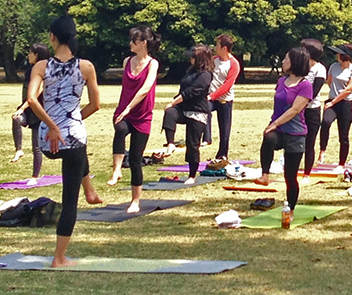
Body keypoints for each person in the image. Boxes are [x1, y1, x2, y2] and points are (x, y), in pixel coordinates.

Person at [26, 15, 103, 268]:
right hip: (71, 135)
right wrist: (72, 120)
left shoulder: (41, 67)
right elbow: (95, 104)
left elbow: (32, 100)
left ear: (52, 37)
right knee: (70, 199)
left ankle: (90, 190)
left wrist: (51, 126)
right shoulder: (86, 67)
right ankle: (59, 258)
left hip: (47, 139)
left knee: (78, 150)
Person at [254, 47, 313, 225]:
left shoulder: (305, 85)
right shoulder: (281, 81)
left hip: (296, 134)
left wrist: (275, 123)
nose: (282, 61)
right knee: (269, 138)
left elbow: (295, 110)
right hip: (279, 131)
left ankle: (291, 209)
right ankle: (265, 175)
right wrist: (274, 125)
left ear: (295, 62)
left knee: (290, 176)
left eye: (286, 58)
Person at [107, 26, 160, 214]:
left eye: (133, 41)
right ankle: (117, 170)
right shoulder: (127, 61)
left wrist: (130, 107)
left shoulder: (153, 64)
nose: (130, 44)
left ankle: (135, 200)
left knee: (137, 159)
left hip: (142, 114)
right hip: (124, 111)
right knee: (120, 130)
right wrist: (125, 109)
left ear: (143, 43)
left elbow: (145, 89)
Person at [162, 45, 214, 185]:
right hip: (184, 108)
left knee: (192, 144)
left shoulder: (205, 74)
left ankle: (192, 175)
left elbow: (192, 91)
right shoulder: (190, 71)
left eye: (193, 57)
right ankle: (171, 143)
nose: (190, 59)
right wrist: (174, 104)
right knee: (170, 113)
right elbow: (183, 88)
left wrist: (174, 101)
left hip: (198, 112)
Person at [11, 43, 52, 184]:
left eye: (31, 53)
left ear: (37, 55)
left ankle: (35, 176)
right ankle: (19, 149)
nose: (28, 55)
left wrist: (23, 107)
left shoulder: (43, 69)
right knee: (16, 119)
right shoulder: (30, 70)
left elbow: (37, 91)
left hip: (38, 108)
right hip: (27, 106)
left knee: (36, 145)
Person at [318, 43, 352, 172]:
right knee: (325, 122)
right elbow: (330, 82)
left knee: (344, 135)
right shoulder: (333, 67)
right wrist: (332, 99)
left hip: (345, 104)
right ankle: (322, 151)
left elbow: (348, 90)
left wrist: (335, 100)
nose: (336, 55)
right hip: (332, 102)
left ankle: (342, 163)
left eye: (339, 53)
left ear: (345, 56)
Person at [207, 34, 239, 164]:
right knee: (204, 111)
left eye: (217, 45)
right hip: (211, 98)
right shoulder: (214, 60)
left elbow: (227, 85)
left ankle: (222, 154)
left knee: (224, 129)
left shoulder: (234, 64)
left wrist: (213, 95)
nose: (215, 48)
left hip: (225, 100)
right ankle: (206, 139)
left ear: (224, 48)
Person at [300, 38, 327, 184]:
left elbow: (314, 91)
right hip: (296, 110)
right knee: (295, 141)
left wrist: (300, 104)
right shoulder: (300, 66)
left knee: (309, 143)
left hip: (312, 111)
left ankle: (307, 174)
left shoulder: (320, 69)